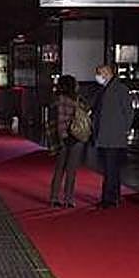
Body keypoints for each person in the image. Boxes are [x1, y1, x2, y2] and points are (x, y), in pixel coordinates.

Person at [91, 63, 132, 208]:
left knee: (111, 168)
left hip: (114, 136)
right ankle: (112, 196)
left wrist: (125, 130)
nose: (97, 76)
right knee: (109, 168)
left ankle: (110, 198)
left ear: (107, 73)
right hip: (104, 135)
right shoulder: (103, 90)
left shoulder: (120, 90)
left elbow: (128, 112)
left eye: (99, 73)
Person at [49, 74, 85, 208]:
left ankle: (54, 197)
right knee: (71, 170)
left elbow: (58, 121)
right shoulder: (76, 100)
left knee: (59, 169)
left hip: (63, 137)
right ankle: (68, 199)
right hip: (75, 137)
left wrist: (61, 137)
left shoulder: (57, 100)